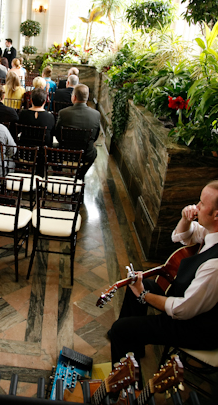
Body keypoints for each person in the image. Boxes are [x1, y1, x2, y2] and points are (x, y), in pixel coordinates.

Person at [109, 180, 218, 383]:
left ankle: (128, 392)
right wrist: (186, 219)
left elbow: (181, 310)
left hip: (195, 328)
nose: (197, 206)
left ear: (216, 215)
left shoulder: (215, 267)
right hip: (187, 305)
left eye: (202, 203)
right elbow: (180, 237)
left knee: (120, 330)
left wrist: (144, 294)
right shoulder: (213, 233)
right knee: (139, 284)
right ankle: (134, 348)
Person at [55, 84, 100, 179]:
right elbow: (95, 137)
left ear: (74, 97)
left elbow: (58, 134)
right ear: (87, 97)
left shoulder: (63, 113)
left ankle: (58, 173)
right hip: (85, 154)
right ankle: (80, 176)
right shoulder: (96, 114)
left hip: (65, 153)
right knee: (94, 152)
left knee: (52, 148)